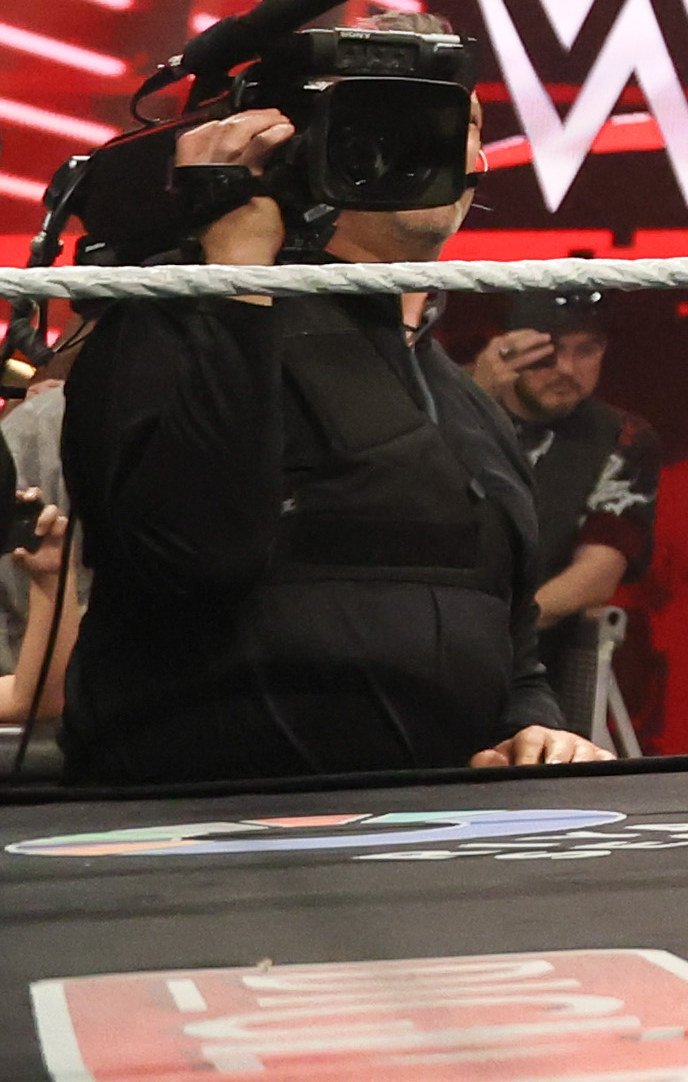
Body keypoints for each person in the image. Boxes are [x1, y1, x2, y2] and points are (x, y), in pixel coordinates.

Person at [55, 76, 606, 780]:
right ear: (317, 140)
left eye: (467, 125)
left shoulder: (472, 410)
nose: (466, 155)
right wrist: (240, 277)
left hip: (431, 845)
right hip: (204, 837)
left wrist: (535, 730)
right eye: (421, 120)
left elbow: (513, 650)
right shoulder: (178, 325)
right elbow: (190, 554)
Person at [459, 314, 655, 730]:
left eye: (586, 350)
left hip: (535, 666)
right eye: (549, 351)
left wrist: (497, 635)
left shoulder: (621, 437)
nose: (567, 369)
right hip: (419, 636)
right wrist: (472, 398)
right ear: (505, 348)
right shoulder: (442, 403)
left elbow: (598, 572)